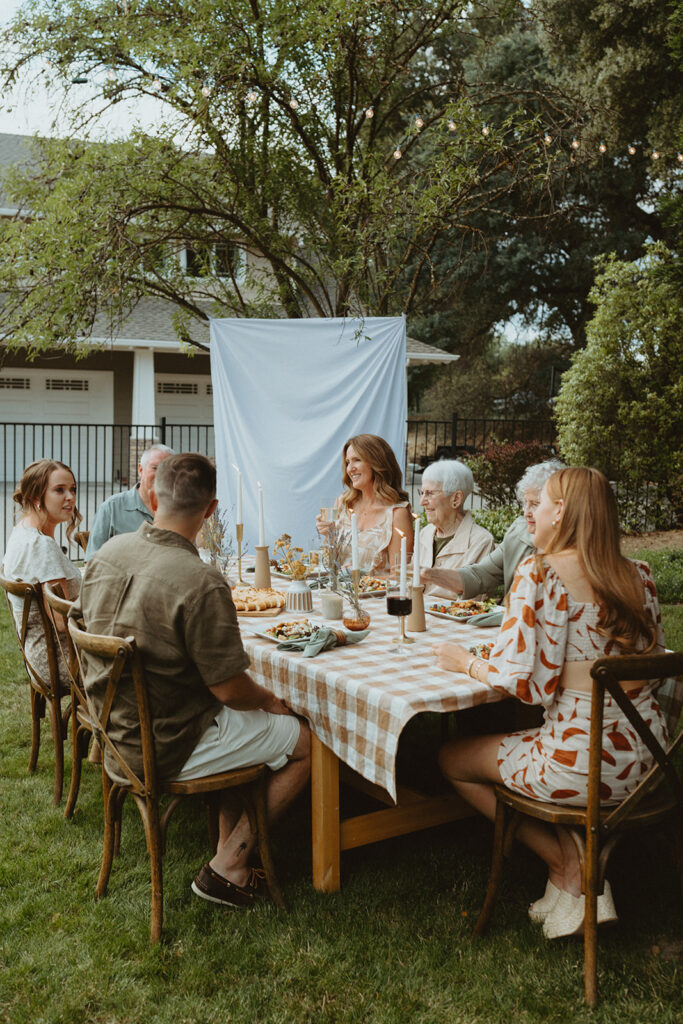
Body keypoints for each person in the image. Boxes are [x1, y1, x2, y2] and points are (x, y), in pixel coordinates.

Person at [433, 467, 669, 939]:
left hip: (578, 766)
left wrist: (464, 663)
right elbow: (656, 663)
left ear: (560, 511)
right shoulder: (641, 577)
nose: (532, 514)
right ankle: (576, 880)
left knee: (451, 759)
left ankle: (567, 864)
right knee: (545, 736)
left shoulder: (540, 573)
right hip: (649, 763)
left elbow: (525, 686)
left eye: (539, 504)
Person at [75, 453, 310, 908]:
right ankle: (230, 865)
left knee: (240, 723)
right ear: (211, 510)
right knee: (306, 743)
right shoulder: (201, 580)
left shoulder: (105, 555)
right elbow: (231, 690)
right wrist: (272, 701)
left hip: (113, 735)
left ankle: (226, 852)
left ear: (150, 496)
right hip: (168, 743)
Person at [421, 459, 565, 600]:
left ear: (560, 508)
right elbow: (480, 575)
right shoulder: (518, 533)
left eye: (535, 504)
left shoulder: (574, 550)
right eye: (525, 503)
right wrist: (429, 574)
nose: (526, 512)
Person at [3, 459, 82, 683]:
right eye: (60, 490)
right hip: (61, 661)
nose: (71, 497)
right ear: (36, 497)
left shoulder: (21, 532)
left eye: (72, 489)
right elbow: (62, 620)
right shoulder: (40, 546)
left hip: (38, 656)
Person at [317, 434, 414, 573]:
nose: (350, 469)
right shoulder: (343, 503)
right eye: (348, 462)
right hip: (337, 592)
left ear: (377, 463)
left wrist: (361, 577)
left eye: (357, 460)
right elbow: (328, 565)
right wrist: (328, 535)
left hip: (374, 594)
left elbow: (399, 578)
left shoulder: (397, 514)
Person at [418, 460, 495, 598]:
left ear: (456, 499)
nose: (422, 502)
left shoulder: (480, 541)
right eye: (422, 493)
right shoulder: (425, 533)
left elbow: (472, 603)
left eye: (429, 494)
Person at [85, 443, 175, 557]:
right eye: (155, 468)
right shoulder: (112, 508)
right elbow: (92, 561)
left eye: (167, 469)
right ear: (140, 470)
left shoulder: (178, 510)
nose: (161, 474)